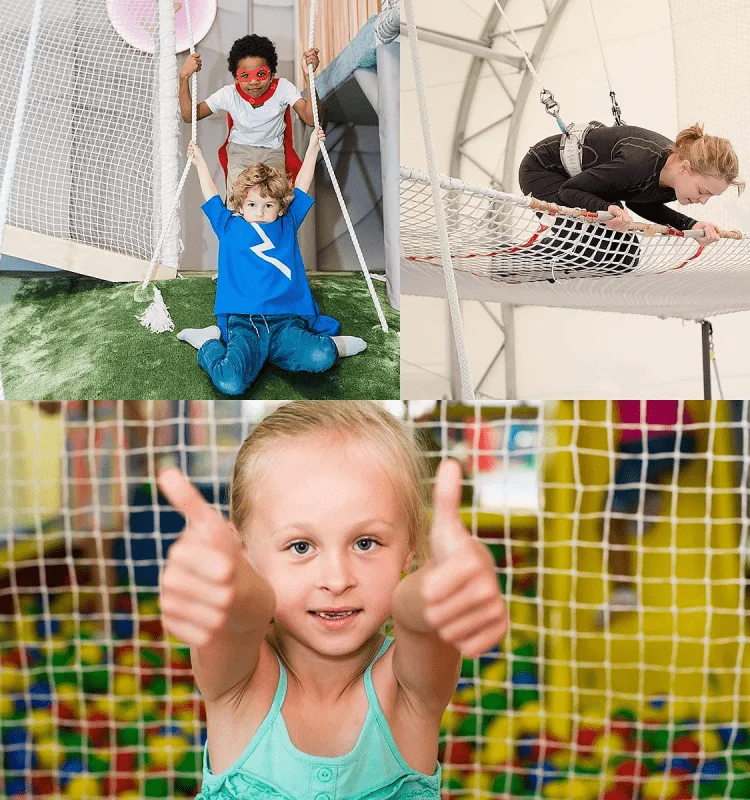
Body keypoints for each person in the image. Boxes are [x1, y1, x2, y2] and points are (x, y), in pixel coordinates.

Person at [158, 401, 509, 799]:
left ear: (411, 546)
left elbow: (419, 620)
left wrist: (444, 584)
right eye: (301, 546)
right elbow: (243, 616)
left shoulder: (409, 692)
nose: (337, 579)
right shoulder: (240, 683)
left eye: (365, 542)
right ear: (245, 549)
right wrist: (226, 580)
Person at [177, 129, 367, 396]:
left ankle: (313, 347)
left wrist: (312, 147)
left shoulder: (287, 224)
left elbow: (301, 186)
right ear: (240, 206)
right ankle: (208, 342)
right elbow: (210, 195)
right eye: (252, 204)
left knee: (322, 357)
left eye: (268, 205)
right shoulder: (228, 225)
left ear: (280, 207)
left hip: (285, 321)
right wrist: (199, 161)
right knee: (230, 381)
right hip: (244, 322)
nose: (260, 212)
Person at [517, 123, 745, 279]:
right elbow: (569, 191)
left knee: (625, 255)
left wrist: (692, 226)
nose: (702, 201)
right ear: (685, 168)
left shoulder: (673, 178)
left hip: (586, 180)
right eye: (702, 191)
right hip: (545, 171)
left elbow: (640, 202)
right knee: (586, 245)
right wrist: (605, 209)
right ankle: (510, 263)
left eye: (709, 197)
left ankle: (548, 269)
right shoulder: (637, 164)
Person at [180, 35, 323, 203]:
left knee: (276, 202)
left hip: (273, 152)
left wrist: (308, 76)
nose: (254, 81)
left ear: (272, 74)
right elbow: (189, 116)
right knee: (238, 202)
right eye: (245, 76)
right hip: (240, 151)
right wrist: (184, 77)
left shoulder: (282, 88)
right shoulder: (229, 94)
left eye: (261, 74)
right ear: (235, 78)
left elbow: (311, 119)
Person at [598, 400, 696, 627]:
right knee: (641, 465)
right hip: (685, 440)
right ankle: (649, 495)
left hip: (647, 443)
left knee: (608, 519)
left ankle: (623, 593)